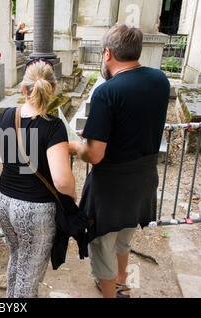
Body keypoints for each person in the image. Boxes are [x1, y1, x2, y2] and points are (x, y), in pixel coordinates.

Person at [69, 24, 170, 298]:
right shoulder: (160, 81)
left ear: (107, 53)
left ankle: (111, 293)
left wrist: (78, 147)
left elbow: (96, 154)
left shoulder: (107, 92)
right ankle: (122, 284)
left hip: (112, 184)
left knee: (102, 243)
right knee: (124, 236)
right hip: (144, 178)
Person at [0, 60, 76, 298]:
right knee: (29, 271)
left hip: (4, 201)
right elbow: (62, 181)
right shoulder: (53, 128)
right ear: (53, 88)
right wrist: (72, 197)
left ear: (23, 89)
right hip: (35, 210)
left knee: (17, 255)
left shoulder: (6, 117)